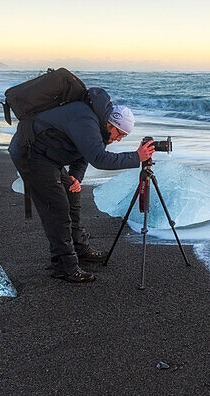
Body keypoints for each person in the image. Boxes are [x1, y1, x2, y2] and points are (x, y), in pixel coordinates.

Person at [8, 87, 155, 283]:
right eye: (119, 134)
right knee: (57, 208)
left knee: (71, 192)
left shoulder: (98, 125)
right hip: (30, 152)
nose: (118, 139)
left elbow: (85, 151)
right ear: (111, 123)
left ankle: (79, 249)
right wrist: (136, 157)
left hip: (48, 154)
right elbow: (99, 158)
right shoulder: (86, 121)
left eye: (123, 137)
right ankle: (64, 267)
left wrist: (76, 175)